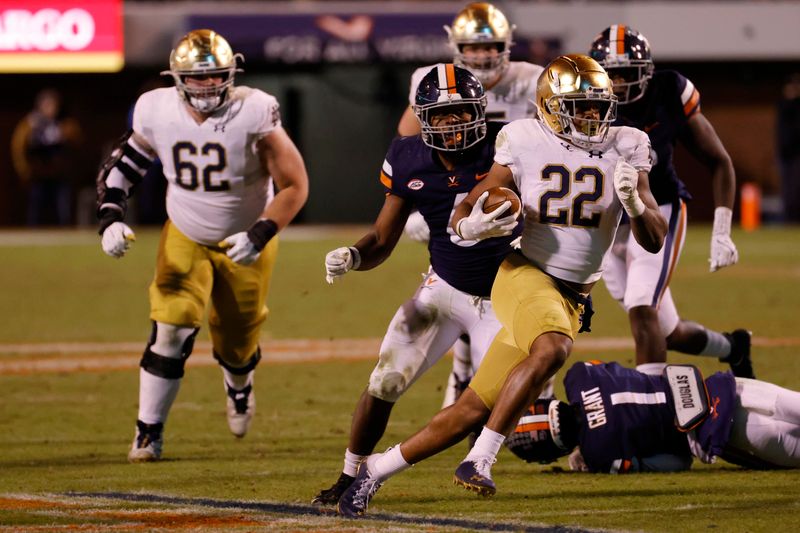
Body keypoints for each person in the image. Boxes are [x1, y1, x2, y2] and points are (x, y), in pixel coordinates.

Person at [336, 54, 668, 517]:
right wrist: (470, 225)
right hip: (525, 276)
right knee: (552, 348)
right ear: (552, 106)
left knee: (471, 408)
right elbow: (474, 199)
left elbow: (654, 240)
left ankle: (375, 471)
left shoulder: (629, 143)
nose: (592, 116)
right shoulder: (523, 138)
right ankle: (481, 459)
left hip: (572, 295)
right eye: (580, 105)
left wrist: (634, 203)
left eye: (598, 106)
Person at [95, 29, 309, 462]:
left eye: (215, 76)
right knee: (171, 325)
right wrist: (110, 217)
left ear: (231, 74)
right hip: (186, 233)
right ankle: (147, 431)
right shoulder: (156, 110)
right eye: (197, 77)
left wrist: (260, 233)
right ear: (177, 78)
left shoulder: (255, 110)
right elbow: (125, 165)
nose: (207, 85)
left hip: (246, 238)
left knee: (237, 342)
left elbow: (295, 185)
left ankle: (239, 384)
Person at [314, 64, 521, 506]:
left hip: (506, 297)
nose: (453, 124)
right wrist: (353, 254)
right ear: (422, 117)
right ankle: (349, 474)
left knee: (481, 404)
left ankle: (390, 467)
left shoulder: (508, 146)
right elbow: (382, 239)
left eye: (462, 112)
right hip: (442, 290)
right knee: (384, 381)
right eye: (442, 115)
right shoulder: (407, 155)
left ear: (480, 112)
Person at [398, 1, 546, 408]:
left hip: (516, 200)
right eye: (473, 47)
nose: (482, 55)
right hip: (456, 200)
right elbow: (410, 143)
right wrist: (418, 206)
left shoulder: (532, 80)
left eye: (490, 46)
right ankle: (464, 372)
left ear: (507, 43)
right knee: (459, 280)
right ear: (455, 45)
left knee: (512, 291)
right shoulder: (432, 82)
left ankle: (499, 377)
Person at [588, 25, 753, 379]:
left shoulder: (668, 92)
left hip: (656, 209)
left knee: (641, 307)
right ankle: (733, 348)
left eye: (626, 73)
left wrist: (722, 231)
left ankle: (652, 408)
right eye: (610, 74)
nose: (617, 83)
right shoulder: (583, 103)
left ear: (646, 71)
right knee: (666, 330)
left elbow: (720, 160)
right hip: (606, 225)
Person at [505, 360, 800, 472]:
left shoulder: (599, 454)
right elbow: (624, 376)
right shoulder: (579, 374)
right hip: (730, 390)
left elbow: (678, 462)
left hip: (725, 431)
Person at [11, 88, 82, 226]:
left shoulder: (64, 124)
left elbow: (77, 143)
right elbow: (19, 148)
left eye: (53, 105)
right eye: (47, 105)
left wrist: (66, 135)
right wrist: (25, 171)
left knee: (62, 209)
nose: (51, 109)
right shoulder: (30, 124)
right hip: (39, 174)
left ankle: (64, 235)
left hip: (59, 174)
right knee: (36, 208)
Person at [777, 73, 800, 222]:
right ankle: (789, 219)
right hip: (786, 155)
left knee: (796, 190)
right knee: (788, 191)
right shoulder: (783, 106)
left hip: (797, 154)